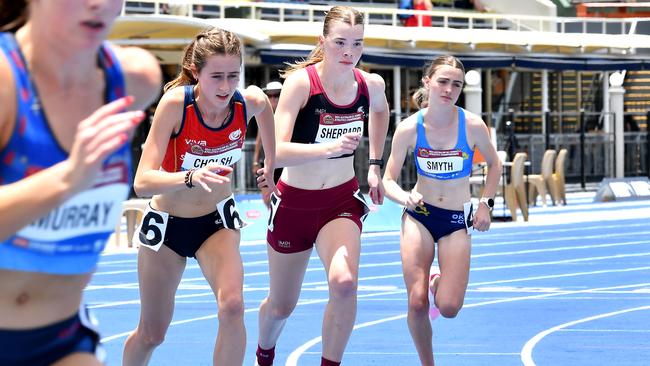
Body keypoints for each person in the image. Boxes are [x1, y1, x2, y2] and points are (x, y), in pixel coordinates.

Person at [0, 1, 161, 365]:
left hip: (62, 339)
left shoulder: (134, 80)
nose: (99, 4)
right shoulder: (6, 81)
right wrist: (67, 179)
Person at [122, 27, 276, 366]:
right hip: (166, 228)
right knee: (152, 333)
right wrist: (189, 176)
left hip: (216, 223)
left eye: (233, 76)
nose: (225, 87)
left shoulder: (247, 101)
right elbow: (142, 182)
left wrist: (270, 168)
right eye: (216, 76)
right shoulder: (177, 105)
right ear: (196, 73)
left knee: (233, 306)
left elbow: (265, 110)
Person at [254, 6, 390, 366]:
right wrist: (329, 148)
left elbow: (380, 111)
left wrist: (375, 164)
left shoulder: (370, 84)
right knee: (282, 305)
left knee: (344, 284)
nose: (349, 53)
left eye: (357, 44)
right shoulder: (301, 84)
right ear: (323, 41)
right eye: (340, 43)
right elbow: (277, 152)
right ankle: (264, 353)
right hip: (294, 204)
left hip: (340, 202)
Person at [382, 55, 501, 366]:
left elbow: (495, 164)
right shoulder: (409, 128)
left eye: (456, 84)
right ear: (428, 83)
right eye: (443, 82)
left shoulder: (473, 126)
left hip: (455, 220)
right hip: (419, 214)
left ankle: (436, 280)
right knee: (417, 302)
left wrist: (486, 204)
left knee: (448, 307)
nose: (449, 89)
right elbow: (388, 179)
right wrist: (403, 197)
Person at [253, 80, 283, 184]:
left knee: (282, 193)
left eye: (276, 95)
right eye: (269, 95)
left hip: (283, 159)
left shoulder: (288, 113)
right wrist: (255, 161)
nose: (273, 98)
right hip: (266, 159)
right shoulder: (263, 113)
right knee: (266, 195)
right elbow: (259, 138)